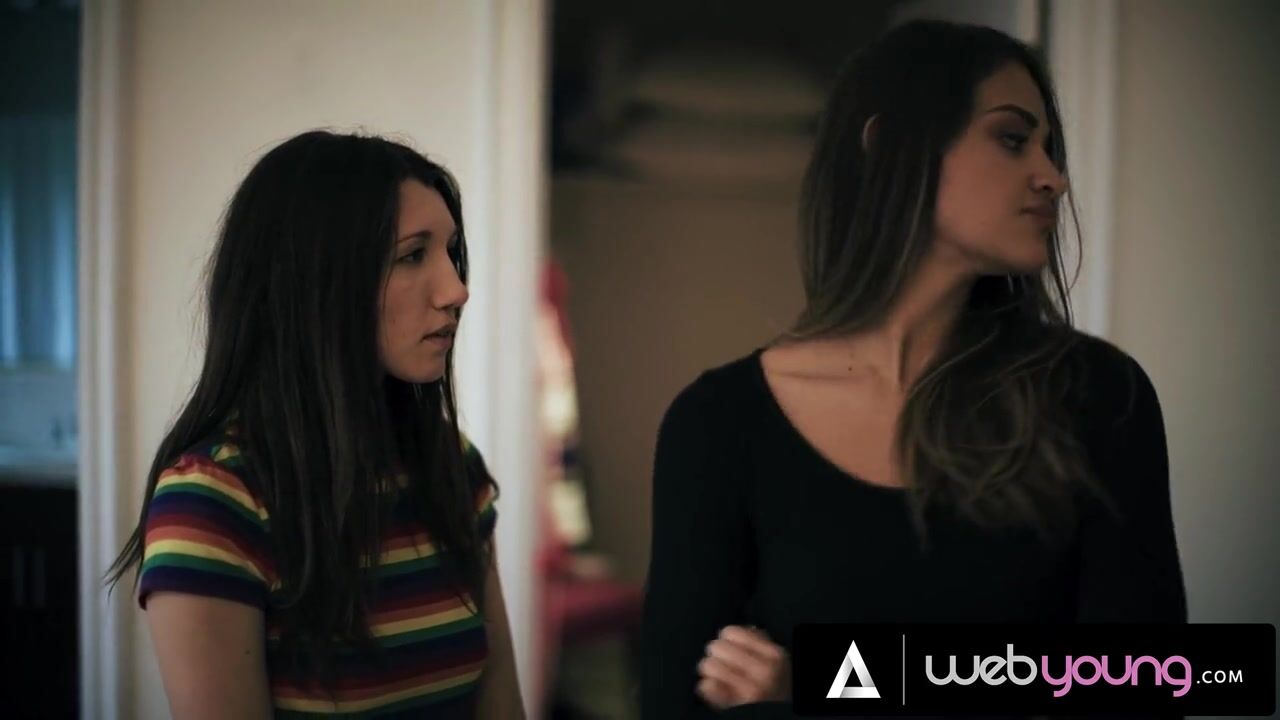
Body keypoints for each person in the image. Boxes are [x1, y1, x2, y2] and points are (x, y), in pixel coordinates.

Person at [640, 20, 1187, 718]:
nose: (1052, 177)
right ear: (892, 145)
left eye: (1049, 150)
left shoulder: (1100, 397)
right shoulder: (717, 425)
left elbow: (1150, 682)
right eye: (1012, 139)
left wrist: (833, 680)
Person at [107, 131, 525, 719]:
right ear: (319, 282)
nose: (457, 289)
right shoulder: (214, 504)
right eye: (412, 256)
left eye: (450, 252)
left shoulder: (452, 466)